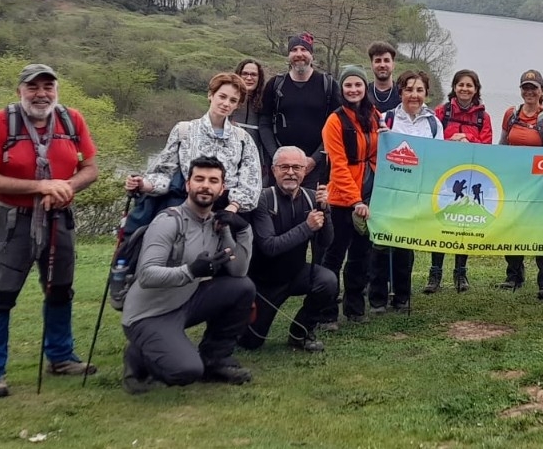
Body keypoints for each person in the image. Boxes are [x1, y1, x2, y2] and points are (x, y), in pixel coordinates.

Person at [0, 63, 99, 398]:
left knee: (60, 288)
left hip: (60, 217)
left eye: (48, 87)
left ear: (56, 90)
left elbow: (90, 169)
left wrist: (65, 187)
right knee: (2, 293)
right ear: (19, 91)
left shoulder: (72, 120)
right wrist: (42, 186)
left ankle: (60, 357)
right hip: (13, 220)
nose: (41, 94)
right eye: (33, 87)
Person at [121, 156, 255, 393]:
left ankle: (215, 360)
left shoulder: (216, 223)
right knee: (186, 371)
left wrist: (243, 229)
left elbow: (238, 270)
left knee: (242, 287)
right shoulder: (168, 221)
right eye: (199, 179)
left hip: (185, 302)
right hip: (149, 313)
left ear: (221, 188)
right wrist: (191, 270)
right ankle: (137, 356)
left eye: (213, 181)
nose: (206, 185)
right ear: (187, 185)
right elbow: (147, 275)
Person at [239, 146, 336, 352]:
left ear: (305, 171)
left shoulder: (312, 197)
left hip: (296, 273)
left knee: (328, 281)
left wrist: (325, 211)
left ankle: (300, 332)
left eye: (296, 167)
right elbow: (269, 247)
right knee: (250, 343)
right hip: (264, 282)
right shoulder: (263, 199)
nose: (290, 172)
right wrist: (307, 227)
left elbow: (326, 242)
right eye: (284, 167)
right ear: (273, 171)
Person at [124, 72, 261, 216]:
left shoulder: (243, 139)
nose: (226, 104)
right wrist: (142, 184)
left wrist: (232, 208)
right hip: (185, 209)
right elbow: (164, 173)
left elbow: (251, 182)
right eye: (222, 96)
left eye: (233, 100)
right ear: (210, 95)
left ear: (237, 105)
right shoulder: (184, 130)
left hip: (224, 212)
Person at [369, 69, 442, 314]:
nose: (414, 95)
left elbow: (438, 160)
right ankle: (378, 298)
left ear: (426, 94)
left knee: (404, 246)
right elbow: (374, 153)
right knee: (380, 244)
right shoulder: (386, 118)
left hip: (415, 193)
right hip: (387, 190)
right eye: (409, 89)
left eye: (419, 90)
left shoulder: (433, 123)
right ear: (400, 91)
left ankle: (402, 296)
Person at [319, 65, 379, 328]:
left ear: (365, 88)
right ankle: (326, 311)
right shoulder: (334, 121)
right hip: (343, 200)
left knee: (361, 256)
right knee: (334, 256)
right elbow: (339, 165)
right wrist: (355, 200)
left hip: (368, 197)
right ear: (341, 89)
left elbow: (377, 153)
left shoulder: (373, 115)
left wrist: (372, 193)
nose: (353, 90)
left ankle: (355, 309)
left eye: (358, 85)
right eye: (348, 85)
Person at [425, 69, 493, 293]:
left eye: (469, 85)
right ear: (454, 87)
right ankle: (435, 273)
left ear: (476, 89)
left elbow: (487, 147)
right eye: (460, 85)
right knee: (440, 223)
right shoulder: (440, 112)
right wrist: (450, 139)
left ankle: (460, 273)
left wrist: (467, 139)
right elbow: (431, 142)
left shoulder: (483, 117)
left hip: (471, 177)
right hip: (444, 179)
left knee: (464, 224)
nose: (465, 89)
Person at [496, 69, 543, 299]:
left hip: (539, 184)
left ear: (542, 91)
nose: (529, 92)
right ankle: (513, 275)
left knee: (540, 230)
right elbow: (502, 144)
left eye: (534, 88)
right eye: (525, 87)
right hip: (513, 183)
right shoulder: (511, 114)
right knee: (512, 227)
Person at [259, 32, 342, 189]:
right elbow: (265, 123)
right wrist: (277, 157)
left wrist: (314, 159)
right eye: (294, 50)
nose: (299, 54)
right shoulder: (275, 84)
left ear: (311, 54)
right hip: (280, 167)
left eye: (304, 50)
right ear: (288, 55)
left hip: (316, 168)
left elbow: (336, 128)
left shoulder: (328, 85)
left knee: (313, 211)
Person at [233, 58, 270, 186]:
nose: (249, 78)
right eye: (245, 74)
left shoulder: (265, 103)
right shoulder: (228, 102)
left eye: (253, 74)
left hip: (256, 164)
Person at [367, 41, 402, 113]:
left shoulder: (402, 93)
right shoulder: (364, 93)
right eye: (378, 61)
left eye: (386, 60)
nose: (382, 65)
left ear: (393, 65)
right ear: (371, 65)